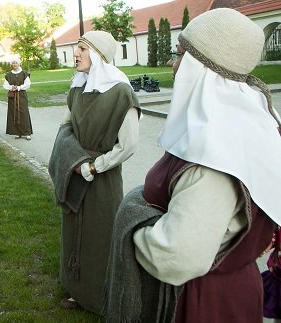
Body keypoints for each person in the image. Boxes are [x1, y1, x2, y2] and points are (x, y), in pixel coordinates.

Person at [102, 8, 281, 323]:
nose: (173, 64)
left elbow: (177, 256)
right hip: (231, 288)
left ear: (201, 65)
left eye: (179, 54)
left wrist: (130, 222)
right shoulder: (250, 125)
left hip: (202, 303)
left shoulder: (215, 152)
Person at [48, 30, 140, 315]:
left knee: (100, 236)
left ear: (100, 55)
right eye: (77, 48)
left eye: (83, 49)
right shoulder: (77, 88)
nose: (76, 54)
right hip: (76, 173)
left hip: (103, 181)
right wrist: (76, 162)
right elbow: (66, 128)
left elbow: (128, 146)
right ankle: (78, 291)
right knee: (74, 231)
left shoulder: (121, 92)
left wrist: (95, 166)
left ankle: (102, 299)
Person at [3, 57, 33, 140]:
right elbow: (5, 85)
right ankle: (17, 132)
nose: (14, 64)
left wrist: (19, 87)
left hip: (21, 95)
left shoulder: (24, 73)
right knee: (14, 113)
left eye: (16, 63)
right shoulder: (8, 75)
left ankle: (27, 132)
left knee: (24, 113)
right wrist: (11, 87)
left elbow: (28, 84)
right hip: (12, 96)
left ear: (19, 63)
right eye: (13, 63)